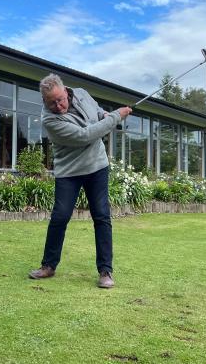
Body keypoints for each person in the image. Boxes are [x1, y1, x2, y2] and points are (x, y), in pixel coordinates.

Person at [28, 73, 132, 288]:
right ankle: (48, 266)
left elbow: (97, 112)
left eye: (60, 99)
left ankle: (106, 271)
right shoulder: (50, 120)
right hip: (69, 172)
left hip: (97, 166)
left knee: (102, 216)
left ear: (66, 91)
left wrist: (106, 114)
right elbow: (85, 135)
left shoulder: (83, 94)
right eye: (52, 102)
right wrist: (116, 117)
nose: (58, 105)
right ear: (44, 102)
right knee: (60, 217)